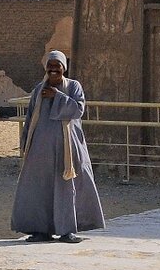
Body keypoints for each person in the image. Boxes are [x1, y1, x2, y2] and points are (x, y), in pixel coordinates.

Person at [12, 50, 105, 244]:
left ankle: (67, 230)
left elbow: (78, 109)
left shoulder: (73, 87)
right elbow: (30, 117)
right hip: (41, 150)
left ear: (64, 68)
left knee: (67, 188)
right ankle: (41, 230)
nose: (53, 70)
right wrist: (25, 142)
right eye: (50, 66)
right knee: (40, 188)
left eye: (57, 66)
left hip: (68, 148)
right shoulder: (39, 90)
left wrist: (57, 96)